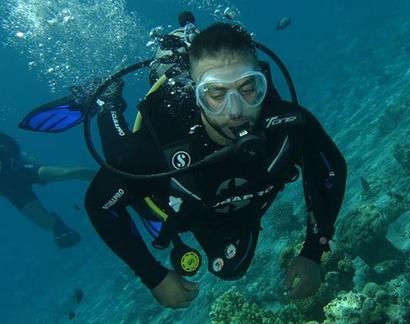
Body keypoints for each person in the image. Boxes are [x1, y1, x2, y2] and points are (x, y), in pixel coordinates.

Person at [84, 22, 347, 309]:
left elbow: (330, 170)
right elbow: (100, 205)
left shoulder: (289, 125)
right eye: (216, 94)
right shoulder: (151, 151)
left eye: (248, 89)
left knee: (231, 269)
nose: (235, 111)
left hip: (227, 211)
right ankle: (109, 105)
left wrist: (313, 250)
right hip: (174, 203)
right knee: (119, 155)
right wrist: (153, 276)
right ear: (195, 93)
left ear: (263, 83)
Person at [0, 132, 95, 248]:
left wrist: (16, 158)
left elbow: (12, 144)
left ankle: (110, 176)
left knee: (66, 173)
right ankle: (58, 225)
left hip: (22, 170)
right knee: (46, 223)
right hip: (11, 190)